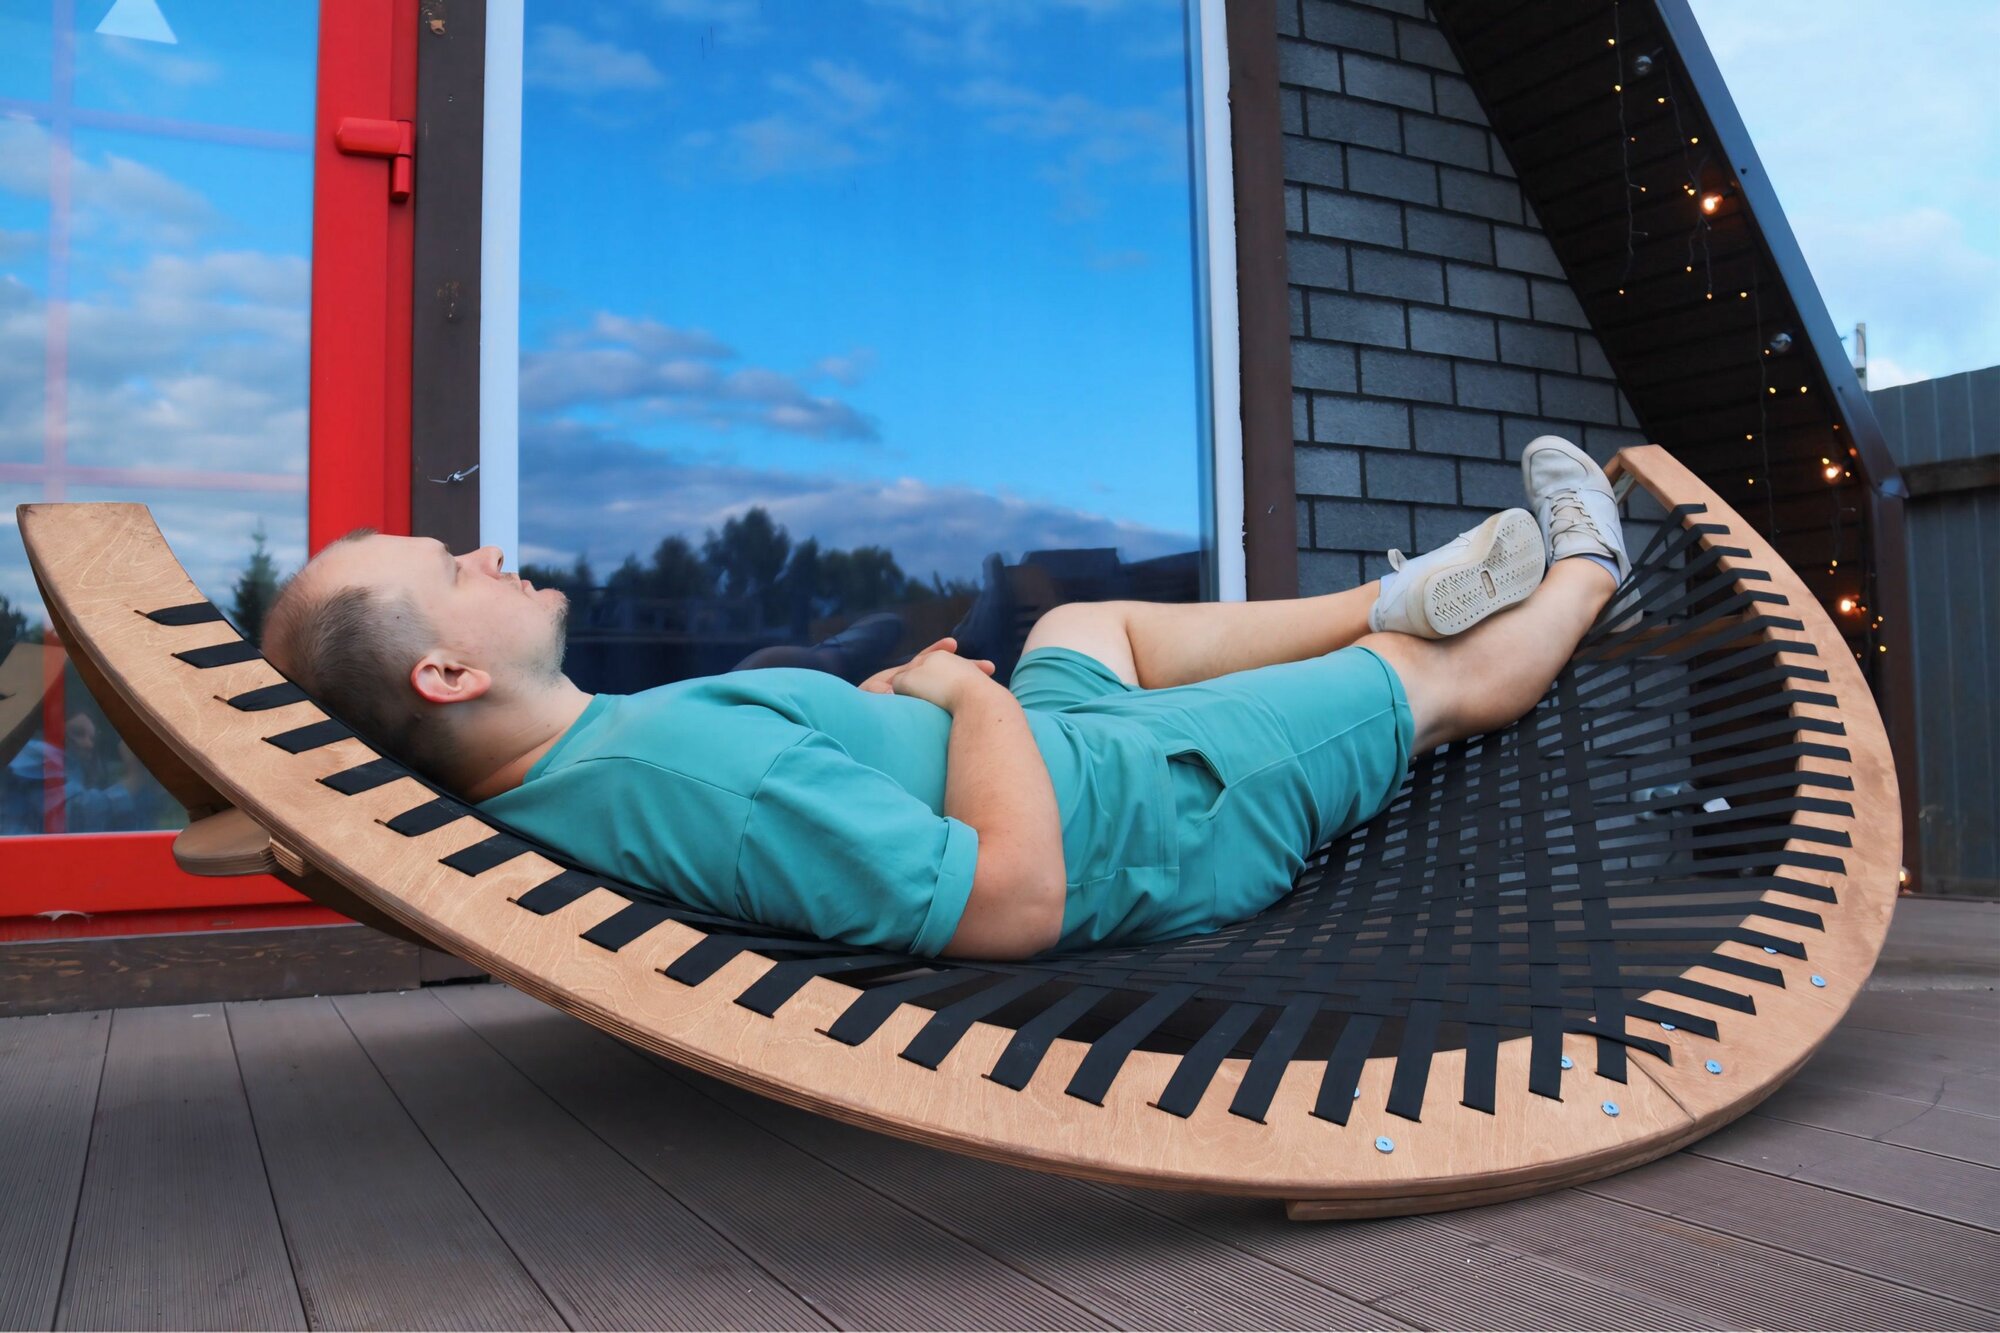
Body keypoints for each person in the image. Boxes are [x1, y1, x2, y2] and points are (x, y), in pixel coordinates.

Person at [260, 435, 1630, 961]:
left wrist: (885, 717)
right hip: (1152, 815)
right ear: (448, 675)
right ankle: (1582, 567)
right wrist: (963, 704)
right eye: (451, 567)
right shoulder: (682, 776)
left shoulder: (586, 771)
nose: (487, 551)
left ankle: (1393, 591)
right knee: (1422, 686)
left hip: (1070, 754)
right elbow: (1012, 901)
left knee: (1085, 622)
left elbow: (814, 795)